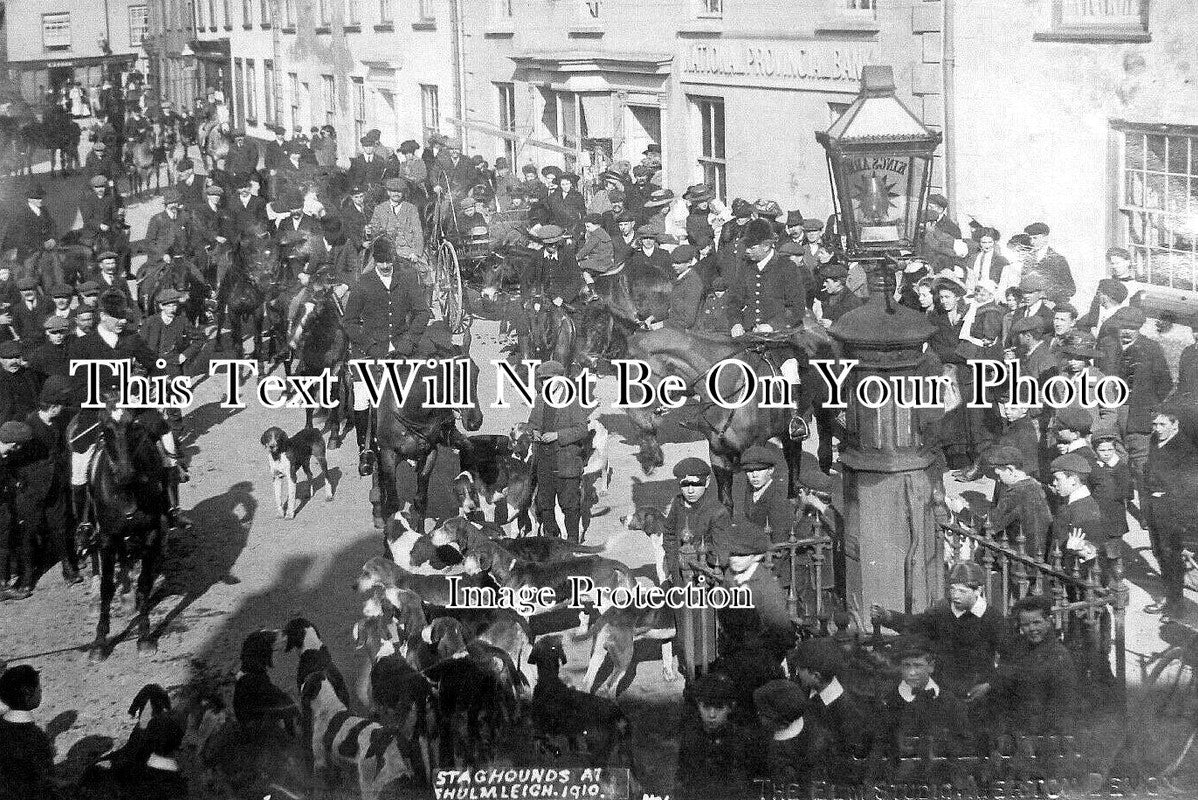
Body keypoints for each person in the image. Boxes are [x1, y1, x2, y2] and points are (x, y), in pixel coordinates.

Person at [68, 291, 189, 534]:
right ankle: (85, 523)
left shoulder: (131, 340)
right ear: (102, 316)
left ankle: (172, 507)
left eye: (124, 316)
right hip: (97, 410)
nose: (123, 321)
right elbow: (77, 386)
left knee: (166, 436)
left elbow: (157, 364)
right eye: (117, 317)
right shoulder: (82, 345)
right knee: (80, 462)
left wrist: (155, 386)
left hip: (133, 405)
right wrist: (104, 402)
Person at [342, 238, 432, 476]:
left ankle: (424, 437)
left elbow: (423, 312)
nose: (384, 266)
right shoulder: (363, 283)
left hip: (402, 348)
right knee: (364, 398)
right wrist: (371, 346)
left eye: (388, 261)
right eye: (380, 261)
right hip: (370, 351)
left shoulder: (408, 278)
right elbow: (349, 322)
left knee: (423, 388)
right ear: (375, 260)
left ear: (394, 259)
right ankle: (365, 448)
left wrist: (406, 342)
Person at [871, 561, 1008, 698]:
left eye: (962, 591)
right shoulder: (942, 611)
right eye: (952, 589)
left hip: (978, 690)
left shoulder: (992, 617)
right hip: (944, 690)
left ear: (978, 591)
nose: (956, 596)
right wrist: (888, 617)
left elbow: (1010, 655)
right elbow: (916, 625)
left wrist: (990, 684)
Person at [726, 219, 810, 439]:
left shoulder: (787, 267)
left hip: (780, 338)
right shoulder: (745, 266)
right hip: (748, 335)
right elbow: (733, 300)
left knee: (790, 369)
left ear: (766, 246)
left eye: (752, 247)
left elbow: (796, 308)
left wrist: (772, 325)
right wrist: (735, 322)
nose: (748, 250)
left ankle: (795, 420)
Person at [714, 521, 794, 716]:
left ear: (757, 556)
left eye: (741, 555)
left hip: (760, 662)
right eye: (732, 553)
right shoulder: (730, 576)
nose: (734, 559)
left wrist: (766, 658)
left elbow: (782, 631)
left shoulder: (766, 588)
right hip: (733, 654)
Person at [870, 636, 972, 786]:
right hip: (899, 784)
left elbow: (963, 745)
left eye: (918, 666)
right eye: (906, 666)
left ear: (931, 667)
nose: (912, 673)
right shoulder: (889, 702)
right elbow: (879, 746)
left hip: (941, 783)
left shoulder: (951, 703)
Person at [787, 637, 872, 782]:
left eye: (800, 669)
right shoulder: (805, 693)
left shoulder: (848, 711)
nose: (797, 673)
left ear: (816, 676)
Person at [526, 360, 590, 543]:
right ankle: (550, 542)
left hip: (566, 463)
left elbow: (582, 430)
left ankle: (572, 542)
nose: (545, 383)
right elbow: (532, 424)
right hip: (544, 462)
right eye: (543, 380)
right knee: (545, 504)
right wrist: (534, 432)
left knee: (569, 505)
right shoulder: (540, 400)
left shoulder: (572, 401)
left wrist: (557, 435)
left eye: (549, 379)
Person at [1143, 412, 1198, 615]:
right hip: (1155, 506)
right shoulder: (1154, 441)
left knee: (1171, 557)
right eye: (1155, 424)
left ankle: (1175, 604)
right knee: (1159, 553)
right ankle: (1170, 597)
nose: (1157, 428)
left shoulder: (1184, 449)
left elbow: (1188, 486)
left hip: (1173, 510)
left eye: (1163, 424)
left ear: (1175, 426)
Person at [674, 672, 756, 800]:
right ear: (698, 705)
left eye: (719, 708)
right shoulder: (691, 737)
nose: (712, 715)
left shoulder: (741, 740)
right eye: (706, 707)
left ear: (730, 707)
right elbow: (683, 782)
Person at [662, 457, 732, 586]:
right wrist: (673, 563)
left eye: (696, 484)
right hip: (679, 572)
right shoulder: (678, 503)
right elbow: (669, 533)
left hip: (706, 576)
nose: (690, 490)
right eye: (685, 485)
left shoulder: (718, 512)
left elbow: (721, 553)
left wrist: (695, 555)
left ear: (707, 482)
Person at [752, 680, 828, 793]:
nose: (758, 715)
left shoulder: (811, 744)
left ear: (781, 721)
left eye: (763, 713)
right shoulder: (764, 732)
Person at [983, 445, 1053, 562]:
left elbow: (988, 527)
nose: (998, 480)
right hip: (1040, 557)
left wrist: (961, 510)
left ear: (1010, 470)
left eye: (999, 475)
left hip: (1019, 561)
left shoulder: (1015, 493)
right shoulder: (1036, 486)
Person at [0, 664, 55, 799]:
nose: (41, 692)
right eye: (39, 689)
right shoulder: (37, 738)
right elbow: (46, 780)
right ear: (28, 695)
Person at [368, 178, 424, 263]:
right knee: (368, 272)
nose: (396, 194)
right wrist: (369, 231)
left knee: (424, 271)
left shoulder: (411, 209)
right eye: (393, 191)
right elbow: (374, 232)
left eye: (399, 191)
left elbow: (418, 233)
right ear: (388, 192)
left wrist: (416, 253)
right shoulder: (380, 209)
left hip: (407, 250)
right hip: (385, 250)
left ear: (403, 193)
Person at [1, 185, 56, 263]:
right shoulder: (22, 214)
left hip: (44, 249)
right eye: (37, 198)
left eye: (41, 197)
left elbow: (52, 226)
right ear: (29, 199)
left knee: (55, 262)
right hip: (27, 251)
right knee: (31, 266)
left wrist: (52, 238)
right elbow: (22, 237)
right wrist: (42, 244)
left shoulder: (44, 210)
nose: (40, 200)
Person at [1023, 222, 1075, 304]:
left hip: (1051, 307)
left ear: (1045, 238)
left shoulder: (1058, 260)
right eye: (1030, 239)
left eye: (1035, 238)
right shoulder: (1027, 260)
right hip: (1030, 307)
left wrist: (1047, 294)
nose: (1032, 242)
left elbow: (1070, 289)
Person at [661, 245, 706, 331]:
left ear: (689, 262)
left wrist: (662, 324)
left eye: (678, 263)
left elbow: (688, 320)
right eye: (673, 262)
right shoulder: (678, 278)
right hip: (674, 328)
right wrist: (653, 317)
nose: (674, 265)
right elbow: (671, 306)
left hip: (688, 334)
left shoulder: (693, 283)